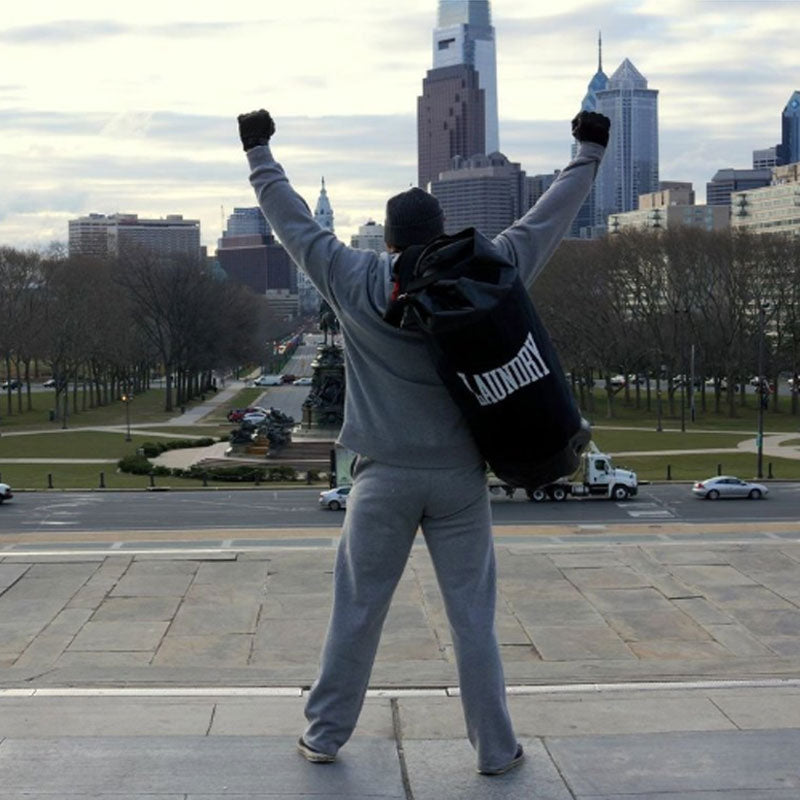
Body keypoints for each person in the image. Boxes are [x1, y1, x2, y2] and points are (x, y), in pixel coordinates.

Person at [237, 107, 609, 775]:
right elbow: (548, 219)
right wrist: (588, 152)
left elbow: (291, 220)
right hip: (460, 478)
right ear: (442, 234)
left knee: (357, 613)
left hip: (381, 476)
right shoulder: (488, 268)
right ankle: (495, 750)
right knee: (473, 622)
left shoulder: (352, 276)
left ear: (387, 240)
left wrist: (259, 151)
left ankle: (324, 736)